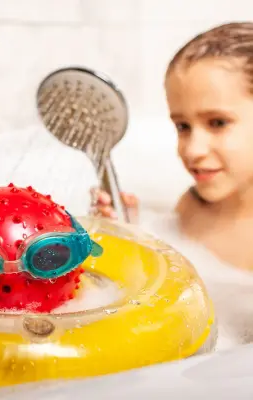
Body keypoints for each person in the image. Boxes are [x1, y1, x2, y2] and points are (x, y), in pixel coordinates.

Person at [93, 22, 253, 272]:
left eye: (217, 123)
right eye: (182, 126)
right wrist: (128, 235)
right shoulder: (193, 207)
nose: (192, 150)